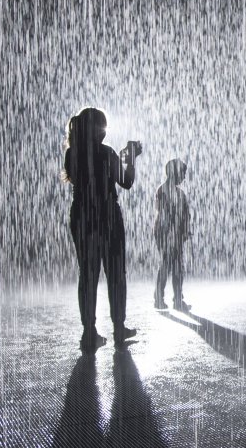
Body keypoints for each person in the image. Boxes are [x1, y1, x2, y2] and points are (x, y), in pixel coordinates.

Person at [62, 108, 141, 352]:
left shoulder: (71, 154)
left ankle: (89, 332)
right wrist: (130, 158)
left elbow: (78, 180)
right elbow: (126, 182)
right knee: (116, 273)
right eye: (102, 127)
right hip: (107, 215)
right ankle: (119, 328)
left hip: (82, 216)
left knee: (88, 274)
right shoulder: (107, 154)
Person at [154, 159, 191, 312]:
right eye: (183, 173)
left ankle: (176, 298)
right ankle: (161, 298)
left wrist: (184, 230)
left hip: (173, 232)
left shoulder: (177, 192)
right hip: (166, 232)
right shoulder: (164, 191)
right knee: (168, 265)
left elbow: (185, 214)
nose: (184, 177)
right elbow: (166, 214)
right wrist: (172, 232)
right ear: (174, 173)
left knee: (176, 267)